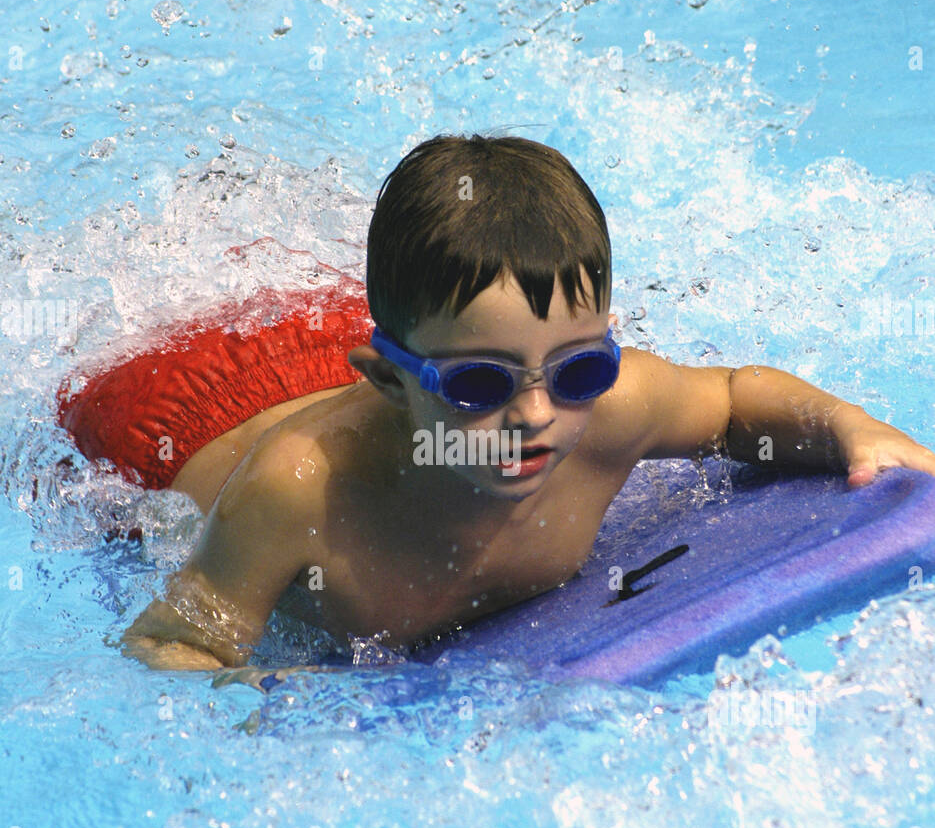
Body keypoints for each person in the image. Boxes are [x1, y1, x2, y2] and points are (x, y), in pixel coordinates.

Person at [119, 133, 935, 686]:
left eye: (579, 370)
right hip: (177, 407)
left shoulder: (611, 405)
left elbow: (729, 403)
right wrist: (262, 694)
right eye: (484, 389)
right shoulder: (299, 492)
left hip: (415, 336)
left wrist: (846, 427)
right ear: (387, 381)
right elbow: (172, 638)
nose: (536, 414)